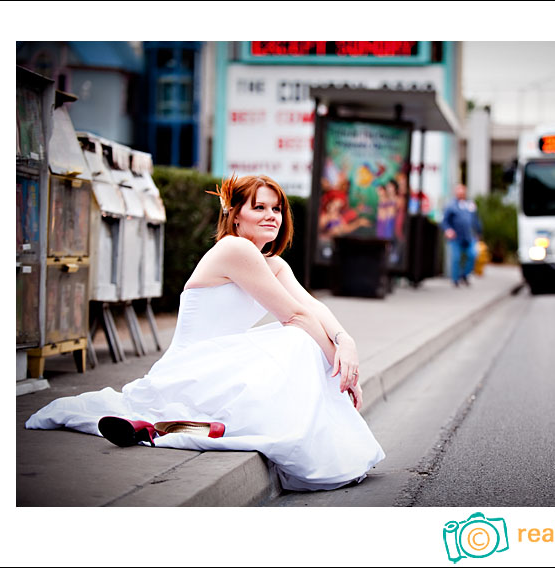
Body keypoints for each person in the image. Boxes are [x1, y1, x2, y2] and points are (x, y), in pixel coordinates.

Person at [26, 173, 386, 492]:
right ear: (234, 214)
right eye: (259, 207)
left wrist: (346, 342)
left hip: (218, 366)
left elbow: (314, 307)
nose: (271, 216)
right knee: (296, 340)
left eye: (276, 209)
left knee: (306, 339)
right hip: (190, 369)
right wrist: (345, 375)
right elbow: (294, 316)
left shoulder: (272, 263)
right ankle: (166, 425)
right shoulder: (235, 248)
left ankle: (167, 427)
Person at [441, 183, 482, 287]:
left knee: (473, 255)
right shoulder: (451, 205)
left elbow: (475, 219)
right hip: (456, 237)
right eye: (459, 192)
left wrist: (479, 232)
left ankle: (464, 274)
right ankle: (455, 279)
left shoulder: (470, 204)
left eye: (462, 192)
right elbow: (444, 221)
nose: (461, 194)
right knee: (456, 258)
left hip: (468, 236)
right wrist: (448, 230)